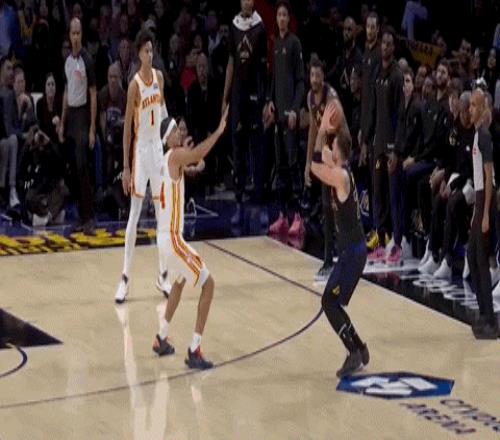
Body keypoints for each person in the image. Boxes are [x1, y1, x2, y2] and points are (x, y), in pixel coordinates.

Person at [152, 106, 229, 369]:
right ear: (167, 138)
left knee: (180, 281)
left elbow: (190, 164)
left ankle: (161, 337)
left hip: (164, 239)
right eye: (175, 130)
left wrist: (193, 164)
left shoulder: (169, 160)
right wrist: (218, 132)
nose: (179, 132)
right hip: (173, 239)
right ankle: (195, 348)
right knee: (209, 284)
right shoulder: (174, 156)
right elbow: (195, 155)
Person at [311, 102, 369, 378]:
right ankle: (359, 347)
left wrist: (323, 129)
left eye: (333, 148)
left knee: (328, 303)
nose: (329, 150)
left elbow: (314, 165)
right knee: (333, 302)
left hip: (352, 254)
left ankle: (353, 352)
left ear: (340, 154)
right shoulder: (342, 168)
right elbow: (321, 154)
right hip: (352, 251)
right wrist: (322, 128)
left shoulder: (340, 177)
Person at [114, 29, 171, 304]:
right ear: (138, 53)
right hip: (140, 151)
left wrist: (174, 141)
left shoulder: (159, 78)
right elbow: (127, 129)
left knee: (162, 215)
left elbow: (164, 114)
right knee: (134, 215)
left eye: (152, 49)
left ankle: (163, 275)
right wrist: (126, 167)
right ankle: (125, 278)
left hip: (157, 150)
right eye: (146, 50)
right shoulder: (134, 85)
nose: (150, 53)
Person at [222, 0, 267, 225]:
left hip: (255, 93)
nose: (247, 2)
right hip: (238, 95)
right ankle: (238, 202)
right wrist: (225, 97)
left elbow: (264, 67)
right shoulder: (233, 26)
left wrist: (265, 99)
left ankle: (259, 203)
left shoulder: (260, 27)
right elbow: (231, 61)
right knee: (237, 148)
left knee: (257, 148)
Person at [265, 0, 305, 236]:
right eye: (278, 14)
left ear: (289, 19)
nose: (281, 18)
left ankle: (298, 216)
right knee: (279, 167)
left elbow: (300, 81)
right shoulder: (276, 43)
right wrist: (270, 101)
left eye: (284, 15)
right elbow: (274, 77)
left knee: (292, 165)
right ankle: (282, 215)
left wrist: (294, 110)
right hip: (278, 116)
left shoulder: (294, 43)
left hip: (289, 116)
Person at [59, 17, 96, 234]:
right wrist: (62, 123)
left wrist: (91, 128)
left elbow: (93, 94)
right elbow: (66, 92)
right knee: (73, 168)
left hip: (82, 115)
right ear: (69, 35)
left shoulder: (87, 60)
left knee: (83, 167)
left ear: (81, 34)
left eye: (78, 33)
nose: (75, 37)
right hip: (71, 116)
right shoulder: (67, 62)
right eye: (72, 33)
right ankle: (82, 216)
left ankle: (90, 217)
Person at [304, 57, 339, 281]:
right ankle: (328, 259)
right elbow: (313, 131)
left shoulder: (331, 97)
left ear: (323, 77)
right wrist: (308, 163)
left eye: (318, 75)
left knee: (337, 207)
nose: (315, 79)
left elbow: (336, 130)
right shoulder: (310, 97)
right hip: (325, 154)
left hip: (338, 152)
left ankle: (338, 257)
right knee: (327, 207)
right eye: (312, 75)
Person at [467, 89, 499, 339]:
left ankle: (491, 321)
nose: (470, 109)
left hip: (484, 198)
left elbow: (489, 178)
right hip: (479, 200)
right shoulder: (477, 134)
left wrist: (485, 212)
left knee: (479, 258)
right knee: (472, 256)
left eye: (474, 105)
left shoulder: (485, 136)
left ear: (483, 108)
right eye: (470, 105)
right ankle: (484, 312)